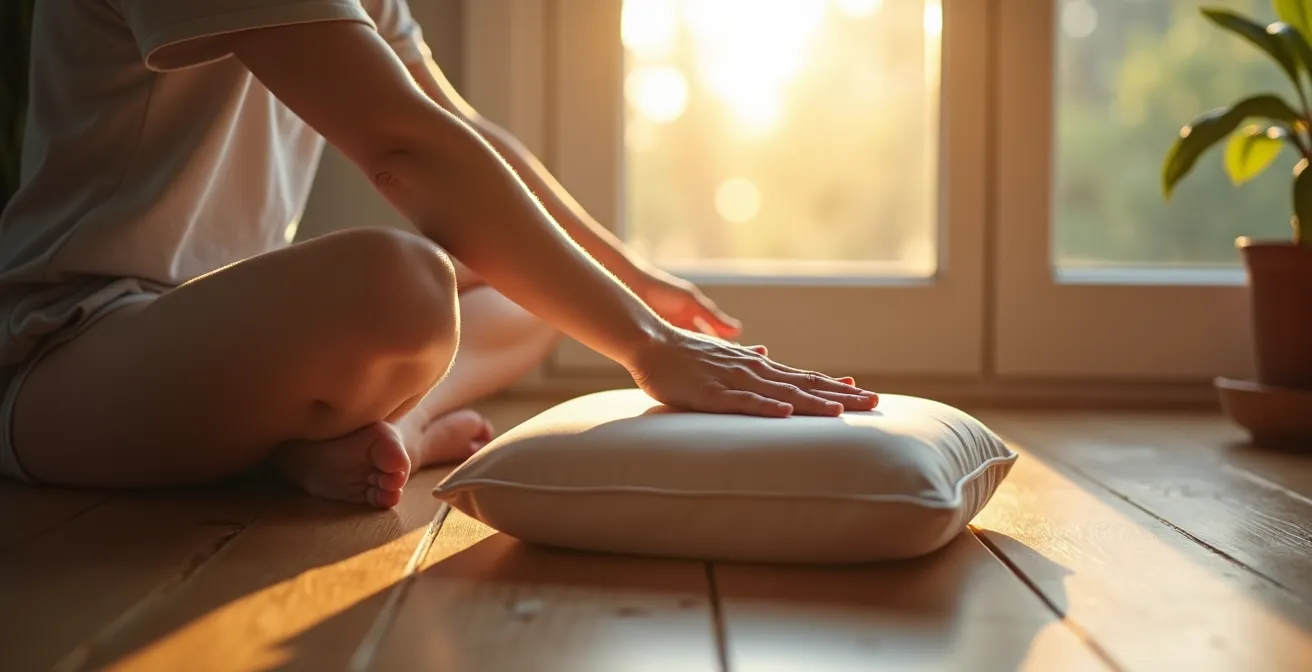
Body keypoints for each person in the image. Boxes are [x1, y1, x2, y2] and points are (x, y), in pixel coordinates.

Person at [0, 0, 879, 508]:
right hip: (67, 352)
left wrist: (632, 280)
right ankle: (359, 430)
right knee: (402, 284)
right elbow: (403, 145)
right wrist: (646, 343)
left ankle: (360, 432)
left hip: (231, 337)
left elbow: (462, 131)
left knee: (538, 291)